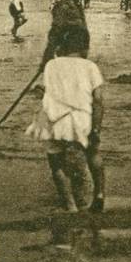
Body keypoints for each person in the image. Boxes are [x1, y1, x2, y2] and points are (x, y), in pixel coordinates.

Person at [26, 24, 105, 213]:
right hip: (81, 119)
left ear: (63, 47)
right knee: (92, 153)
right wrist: (96, 128)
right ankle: (99, 195)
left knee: (56, 162)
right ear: (85, 47)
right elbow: (98, 100)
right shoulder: (90, 66)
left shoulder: (51, 65)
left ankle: (70, 206)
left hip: (54, 119)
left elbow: (49, 90)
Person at [42, 0, 88, 66]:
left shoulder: (76, 4)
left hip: (79, 52)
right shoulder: (63, 6)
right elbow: (55, 32)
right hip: (68, 53)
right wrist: (48, 56)